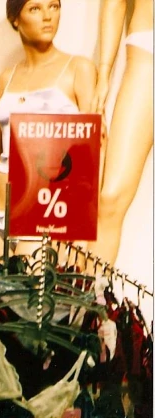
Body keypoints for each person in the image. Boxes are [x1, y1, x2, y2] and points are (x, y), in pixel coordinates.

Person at [0, 0, 97, 256]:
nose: (48, 16)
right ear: (15, 19)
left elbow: (94, 150)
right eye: (35, 8)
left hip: (45, 210)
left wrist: (75, 219)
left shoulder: (78, 69)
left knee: (32, 294)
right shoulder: (5, 79)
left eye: (54, 6)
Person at [90, 0, 153, 265]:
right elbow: (114, 3)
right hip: (147, 58)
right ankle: (91, 300)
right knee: (110, 199)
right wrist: (103, 75)